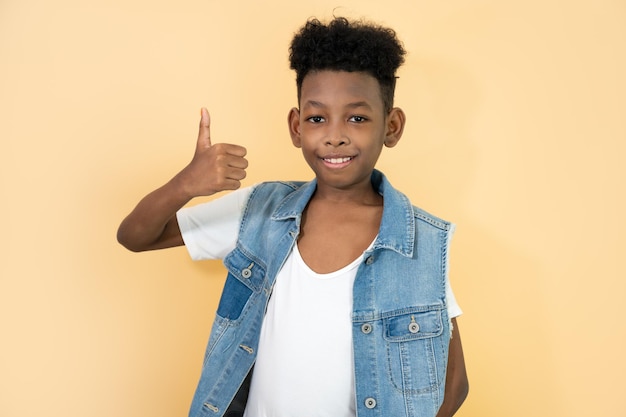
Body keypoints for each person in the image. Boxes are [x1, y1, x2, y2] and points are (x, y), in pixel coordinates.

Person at [118, 16, 468, 417]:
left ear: (392, 126)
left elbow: (454, 383)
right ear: (296, 126)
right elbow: (136, 236)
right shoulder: (259, 212)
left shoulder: (419, 242)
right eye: (317, 118)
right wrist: (185, 184)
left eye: (357, 118)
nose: (335, 136)